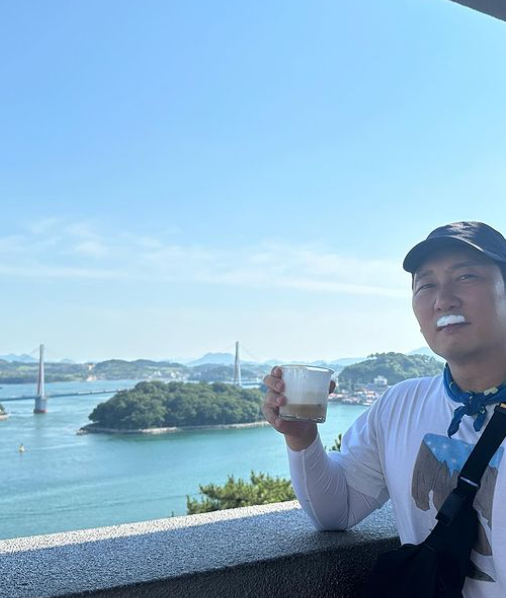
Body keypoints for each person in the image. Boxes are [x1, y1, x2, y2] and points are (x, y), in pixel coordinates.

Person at [262, 221, 506, 597]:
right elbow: (338, 509)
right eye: (426, 285)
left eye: (466, 276)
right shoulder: (399, 406)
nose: (443, 299)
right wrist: (301, 436)